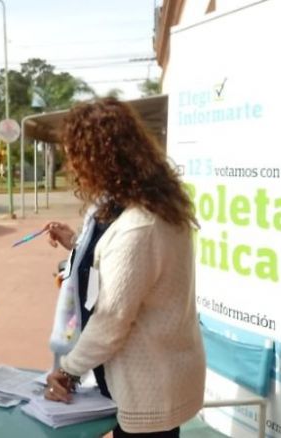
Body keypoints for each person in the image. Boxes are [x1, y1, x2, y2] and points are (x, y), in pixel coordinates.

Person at [43, 98, 205, 437]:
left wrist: (69, 371)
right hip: (165, 374)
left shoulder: (138, 226)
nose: (72, 167)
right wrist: (75, 244)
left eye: (75, 156)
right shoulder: (154, 207)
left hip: (149, 386)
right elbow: (122, 268)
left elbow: (112, 318)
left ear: (97, 159)